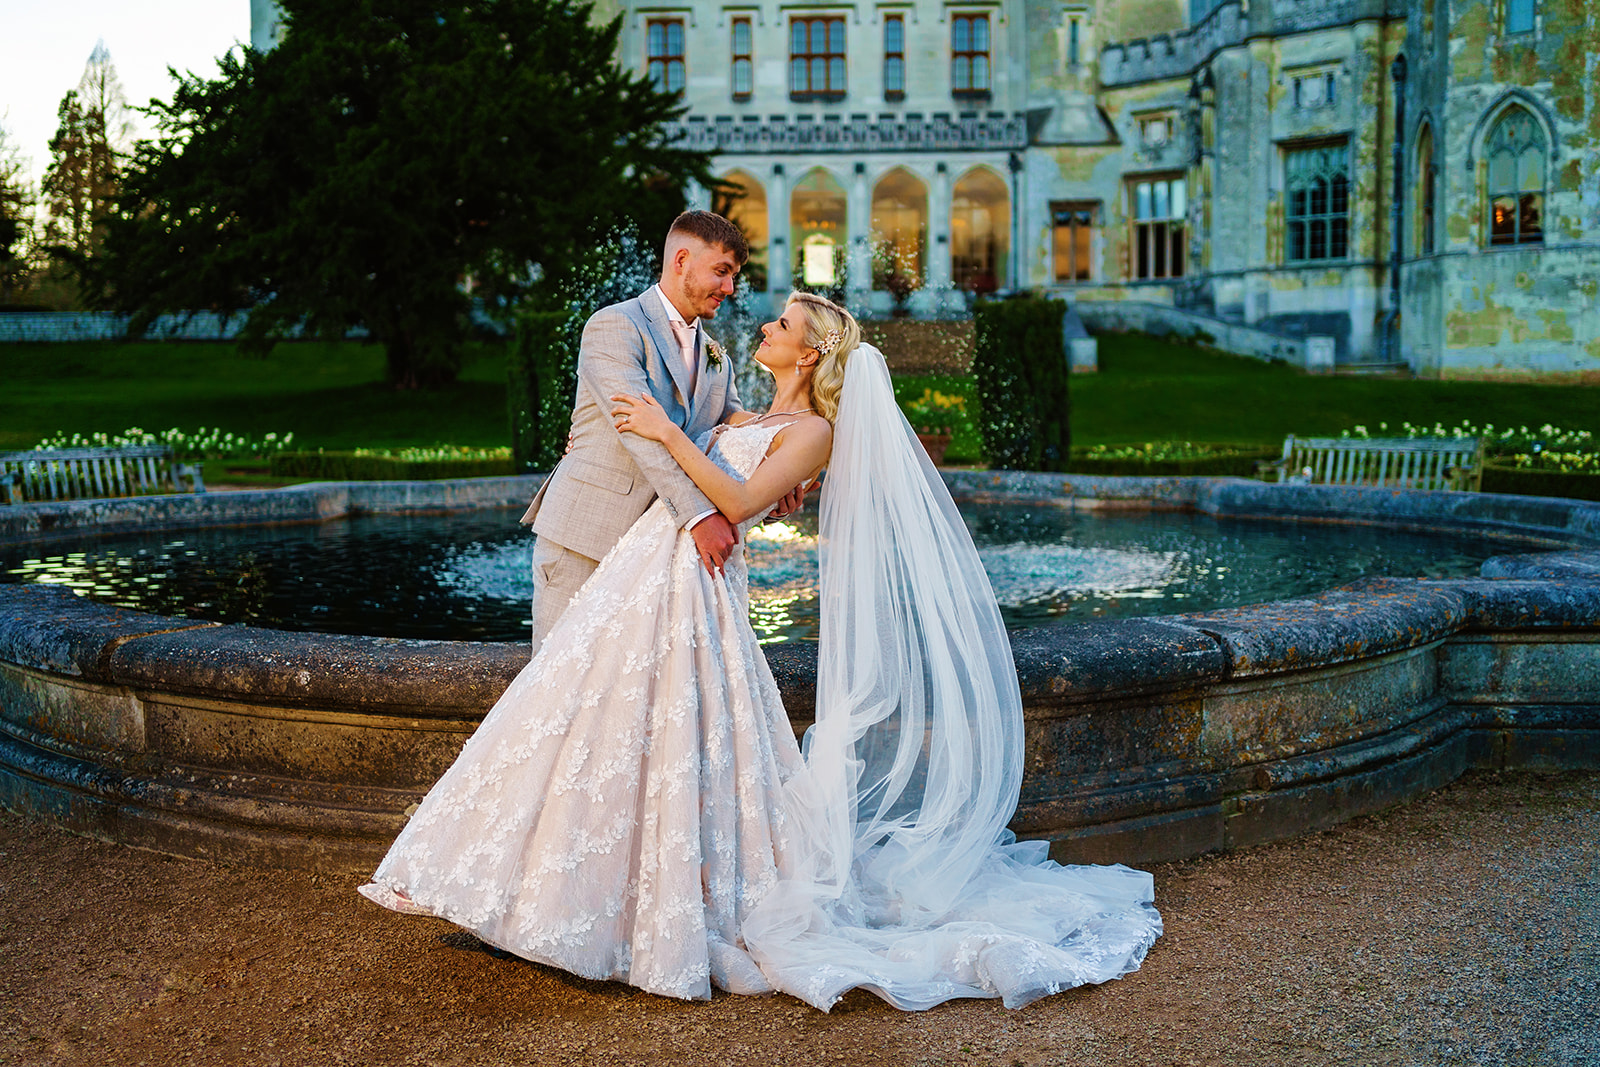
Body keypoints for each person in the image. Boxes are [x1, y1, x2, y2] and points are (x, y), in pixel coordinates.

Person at [359, 291, 1163, 1011]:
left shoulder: (814, 431)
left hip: (697, 583)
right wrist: (689, 434)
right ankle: (525, 887)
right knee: (580, 715)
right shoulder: (747, 415)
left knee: (666, 735)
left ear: (809, 352)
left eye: (780, 324)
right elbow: (724, 469)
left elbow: (739, 501)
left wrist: (669, 429)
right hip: (650, 567)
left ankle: (627, 904)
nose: (766, 327)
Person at [518, 209, 799, 646]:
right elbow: (637, 434)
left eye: (734, 276)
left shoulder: (715, 355)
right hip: (588, 539)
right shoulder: (615, 325)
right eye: (721, 272)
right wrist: (700, 516)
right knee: (558, 690)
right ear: (681, 260)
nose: (729, 288)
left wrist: (777, 469)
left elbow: (730, 425)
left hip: (658, 555)